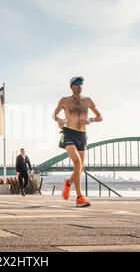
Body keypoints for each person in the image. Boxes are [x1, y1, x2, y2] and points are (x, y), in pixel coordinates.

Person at [53, 76, 103, 207]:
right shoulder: (64, 100)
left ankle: (68, 183)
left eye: (81, 83)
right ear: (72, 86)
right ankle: (80, 198)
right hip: (69, 133)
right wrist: (60, 120)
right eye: (77, 83)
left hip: (82, 135)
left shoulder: (88, 101)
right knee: (77, 162)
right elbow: (55, 115)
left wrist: (90, 120)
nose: (80, 85)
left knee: (80, 168)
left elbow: (100, 117)